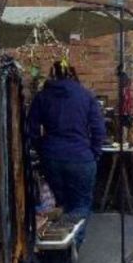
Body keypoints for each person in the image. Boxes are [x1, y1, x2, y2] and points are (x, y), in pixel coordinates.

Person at [28, 61, 106, 249]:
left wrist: (42, 149)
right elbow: (99, 129)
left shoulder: (42, 96)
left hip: (51, 156)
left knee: (62, 202)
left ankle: (60, 243)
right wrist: (93, 153)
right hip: (80, 156)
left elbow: (30, 129)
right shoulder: (86, 96)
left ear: (52, 75)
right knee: (80, 204)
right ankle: (73, 244)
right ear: (73, 74)